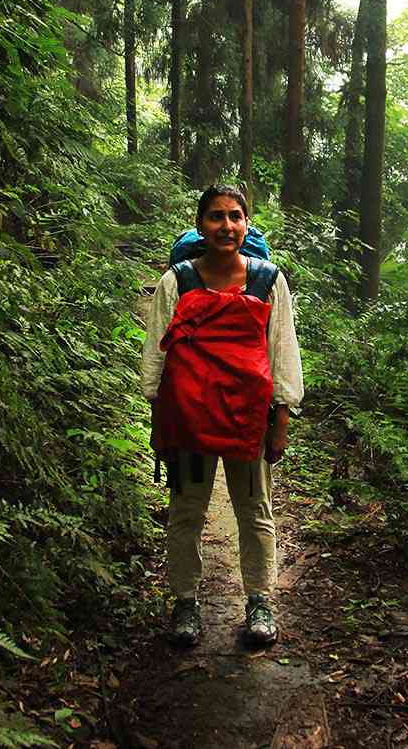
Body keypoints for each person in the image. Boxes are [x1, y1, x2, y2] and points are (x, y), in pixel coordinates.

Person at [140, 185, 304, 647]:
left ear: (247, 224)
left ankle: (260, 602)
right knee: (186, 511)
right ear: (200, 225)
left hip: (248, 418)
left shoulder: (269, 281)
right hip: (188, 418)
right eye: (216, 217)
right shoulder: (177, 282)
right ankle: (185, 603)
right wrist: (158, 418)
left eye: (235, 216)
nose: (226, 226)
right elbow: (157, 351)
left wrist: (282, 418)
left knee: (255, 511)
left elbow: (282, 351)